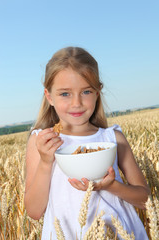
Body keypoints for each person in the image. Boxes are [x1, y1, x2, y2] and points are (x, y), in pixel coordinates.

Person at [24, 47, 150, 240]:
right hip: (66, 234)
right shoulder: (41, 141)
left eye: (86, 91)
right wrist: (45, 162)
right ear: (49, 96)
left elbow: (145, 200)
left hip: (118, 233)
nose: (77, 103)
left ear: (97, 92)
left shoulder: (113, 138)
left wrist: (110, 186)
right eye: (65, 94)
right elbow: (34, 211)